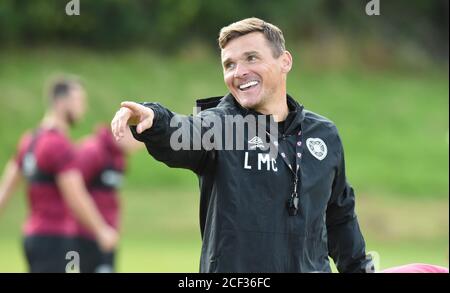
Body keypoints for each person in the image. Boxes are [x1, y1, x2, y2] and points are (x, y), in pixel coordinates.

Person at [111, 18, 373, 273]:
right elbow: (182, 133)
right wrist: (154, 118)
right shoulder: (220, 127)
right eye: (229, 64)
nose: (239, 72)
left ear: (285, 62)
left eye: (251, 58)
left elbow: (340, 217)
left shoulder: (323, 134)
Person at [0, 75, 118, 273]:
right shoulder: (58, 145)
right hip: (55, 237)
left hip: (32, 237)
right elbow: (75, 194)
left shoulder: (30, 140)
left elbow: (5, 190)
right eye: (79, 101)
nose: (83, 108)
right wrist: (101, 231)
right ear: (61, 102)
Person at [73, 125, 141, 273]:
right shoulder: (92, 151)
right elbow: (74, 192)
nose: (141, 145)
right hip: (83, 236)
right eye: (140, 138)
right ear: (126, 131)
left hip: (107, 237)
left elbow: (110, 195)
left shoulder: (120, 158)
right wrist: (99, 229)